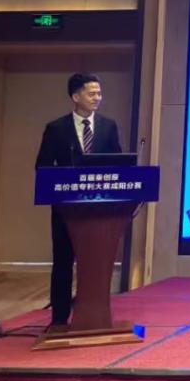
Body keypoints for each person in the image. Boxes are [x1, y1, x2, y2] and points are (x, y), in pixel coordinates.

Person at [35, 73, 122, 328]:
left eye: (99, 93)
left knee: (95, 262)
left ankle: (94, 315)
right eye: (92, 93)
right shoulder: (56, 129)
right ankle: (59, 319)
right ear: (76, 96)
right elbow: (42, 167)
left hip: (99, 209)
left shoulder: (108, 127)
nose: (98, 98)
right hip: (67, 209)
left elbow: (118, 165)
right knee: (63, 260)